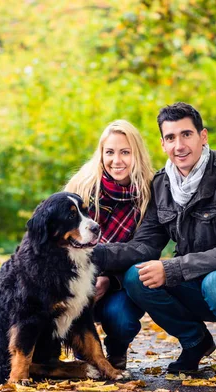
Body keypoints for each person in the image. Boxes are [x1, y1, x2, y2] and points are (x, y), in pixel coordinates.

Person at [91, 102, 216, 375]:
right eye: (171, 137)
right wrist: (94, 254)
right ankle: (195, 342)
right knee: (136, 276)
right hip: (196, 282)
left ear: (203, 137)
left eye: (186, 134)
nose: (179, 145)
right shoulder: (161, 184)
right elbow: (145, 245)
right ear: (163, 145)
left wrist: (171, 268)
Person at [65, 119, 155, 369]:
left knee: (121, 319)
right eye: (110, 152)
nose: (117, 160)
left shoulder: (150, 193)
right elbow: (62, 242)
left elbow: (145, 250)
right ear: (101, 154)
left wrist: (111, 279)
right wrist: (89, 280)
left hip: (119, 282)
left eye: (125, 152)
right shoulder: (82, 186)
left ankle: (117, 351)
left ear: (137, 154)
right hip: (79, 277)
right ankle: (84, 353)